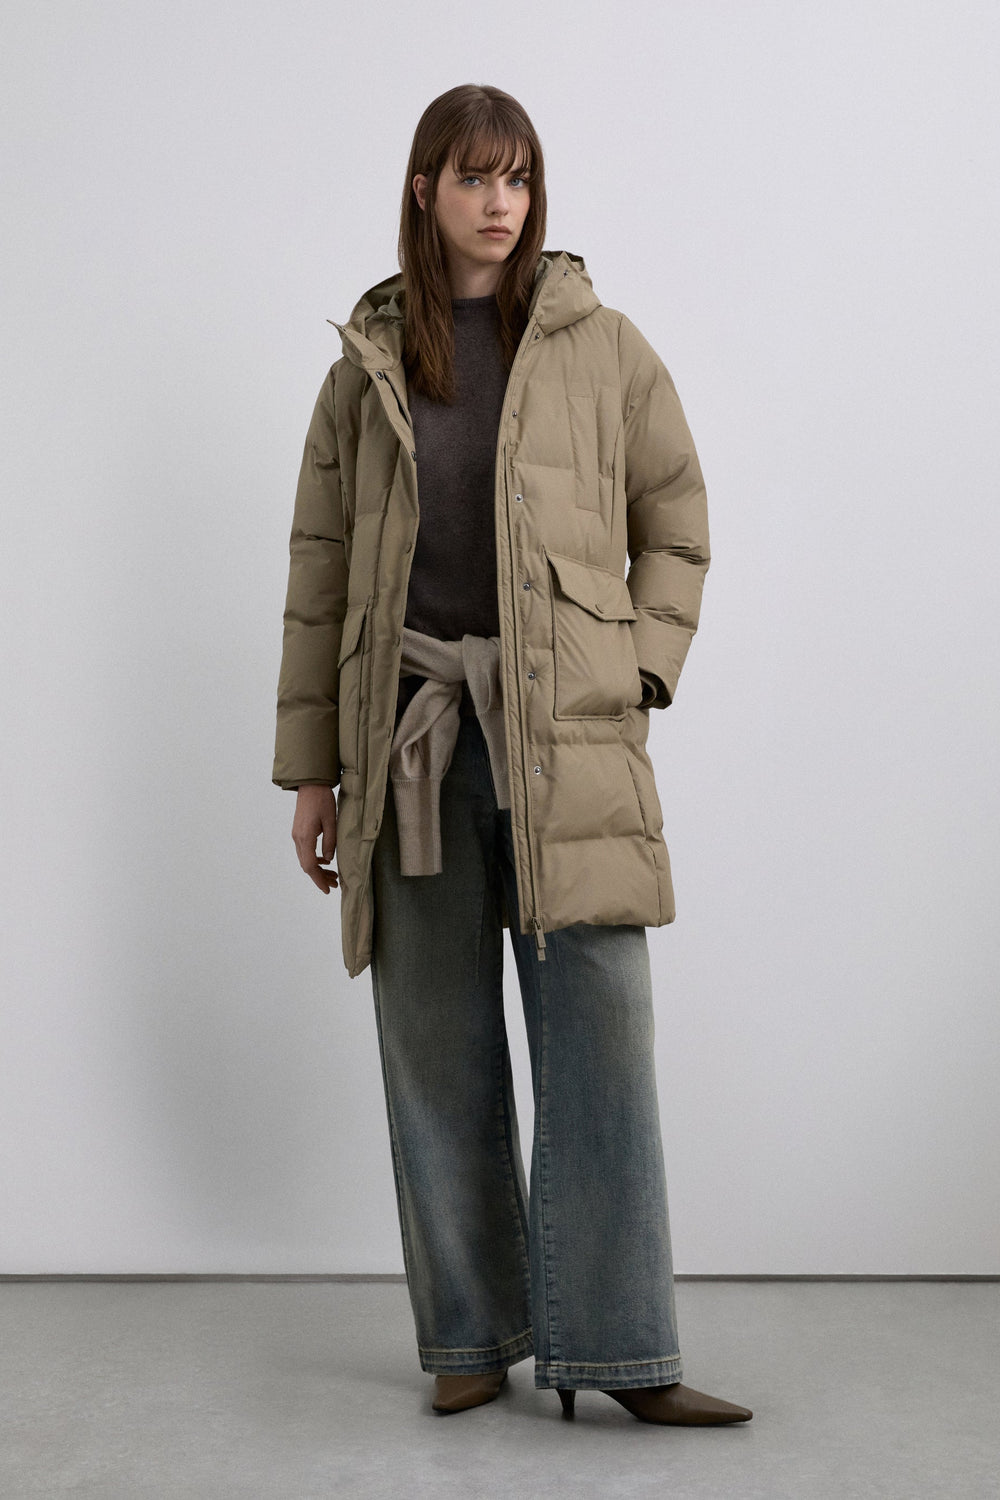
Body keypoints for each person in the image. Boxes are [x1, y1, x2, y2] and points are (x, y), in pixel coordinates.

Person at [273, 83, 752, 1427]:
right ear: (423, 188)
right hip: (412, 742)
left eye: (520, 177)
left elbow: (677, 518)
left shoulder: (603, 346)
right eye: (476, 177)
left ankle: (626, 1355)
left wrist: (637, 667)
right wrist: (312, 772)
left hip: (567, 743)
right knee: (436, 1049)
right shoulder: (363, 369)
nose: (501, 202)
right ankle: (471, 1340)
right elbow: (318, 578)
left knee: (601, 1048)